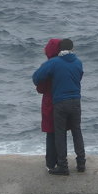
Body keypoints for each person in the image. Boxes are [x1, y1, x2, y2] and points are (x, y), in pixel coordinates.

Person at [31, 37, 85, 174]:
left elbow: (36, 77)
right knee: (77, 131)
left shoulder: (55, 62)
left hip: (60, 102)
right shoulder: (78, 62)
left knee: (60, 134)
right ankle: (81, 163)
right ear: (72, 49)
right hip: (76, 100)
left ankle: (62, 166)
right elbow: (79, 77)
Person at [34, 38, 62, 171]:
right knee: (61, 133)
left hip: (49, 102)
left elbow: (40, 88)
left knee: (51, 133)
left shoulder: (48, 66)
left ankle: (51, 163)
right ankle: (62, 161)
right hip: (63, 101)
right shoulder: (65, 65)